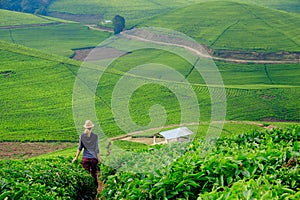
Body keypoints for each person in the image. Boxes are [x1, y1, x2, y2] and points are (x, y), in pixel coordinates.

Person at [72, 120, 101, 186]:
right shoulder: (95, 136)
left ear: (85, 127)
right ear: (92, 127)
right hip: (93, 158)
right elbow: (96, 149)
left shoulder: (82, 136)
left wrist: (76, 157)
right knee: (94, 173)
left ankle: (88, 187)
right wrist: (99, 159)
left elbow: (80, 148)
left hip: (85, 158)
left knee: (86, 173)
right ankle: (95, 187)